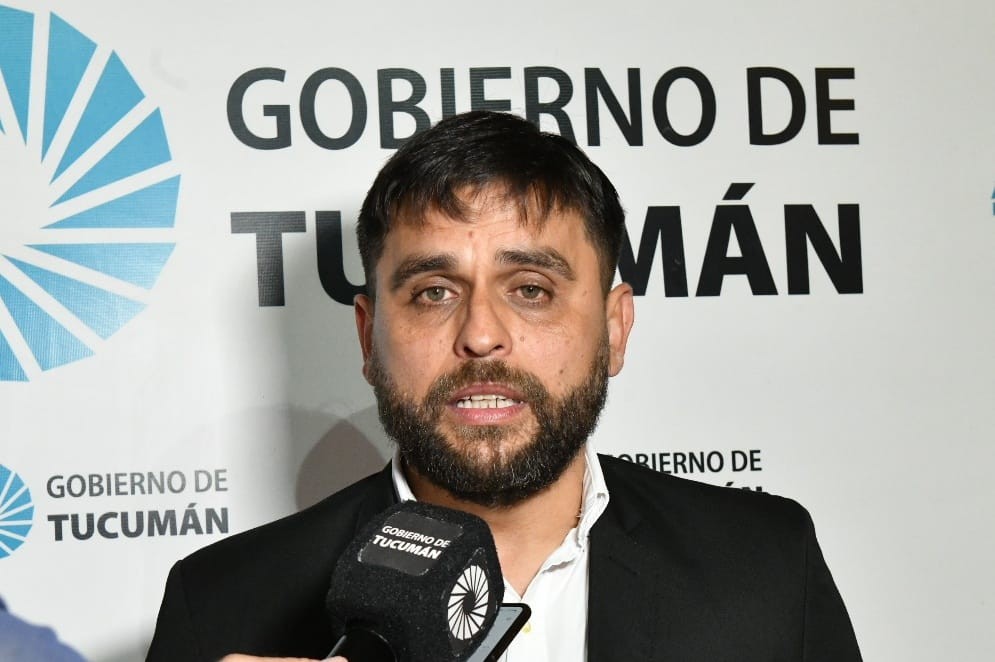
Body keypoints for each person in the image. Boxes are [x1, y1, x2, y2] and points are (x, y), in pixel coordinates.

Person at [147, 111, 861, 661]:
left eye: (531, 289)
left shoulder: (766, 564)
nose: (481, 334)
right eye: (433, 292)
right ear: (367, 337)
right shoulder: (221, 606)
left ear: (615, 329)